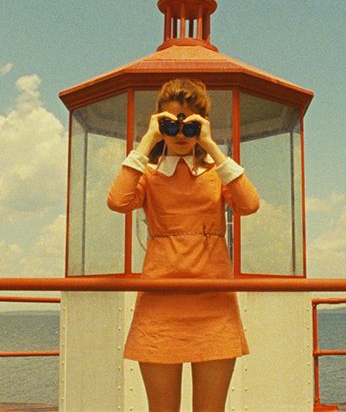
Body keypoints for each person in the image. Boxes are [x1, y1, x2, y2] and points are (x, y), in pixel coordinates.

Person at [107, 78, 260, 411]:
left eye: (188, 125)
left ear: (201, 125)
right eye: (169, 123)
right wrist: (147, 140)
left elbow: (249, 205)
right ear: (158, 123)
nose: (179, 133)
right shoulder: (148, 174)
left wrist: (212, 146)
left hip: (214, 305)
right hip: (160, 305)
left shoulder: (216, 172)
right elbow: (118, 201)